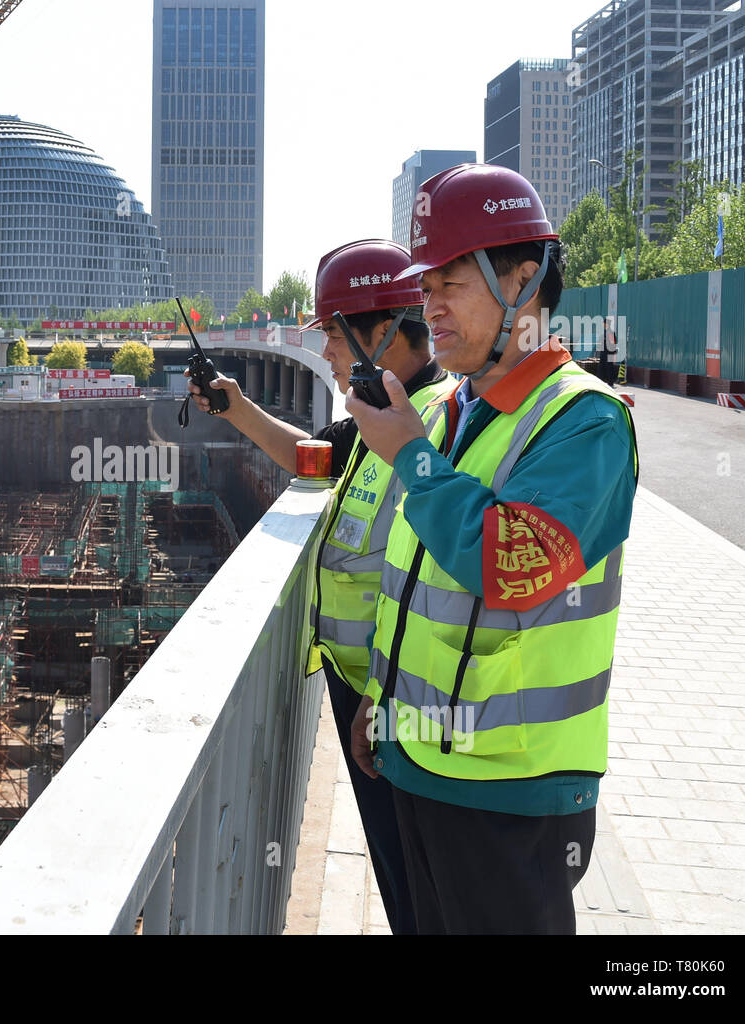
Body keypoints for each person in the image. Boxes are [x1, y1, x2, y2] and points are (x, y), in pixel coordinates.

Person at [343, 164, 639, 934]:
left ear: (525, 279)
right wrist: (383, 704)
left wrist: (409, 456)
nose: (429, 306)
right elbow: (408, 584)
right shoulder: (445, 409)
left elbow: (510, 567)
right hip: (419, 762)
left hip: (511, 791)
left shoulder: (585, 423)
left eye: (452, 282)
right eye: (425, 285)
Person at [188, 239, 457, 934]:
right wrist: (236, 407)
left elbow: (445, 577)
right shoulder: (377, 416)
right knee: (402, 880)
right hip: (361, 688)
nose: (328, 353)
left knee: (426, 883)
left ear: (386, 333)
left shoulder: (434, 423)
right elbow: (309, 456)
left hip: (397, 703)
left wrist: (392, 692)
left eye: (335, 335)